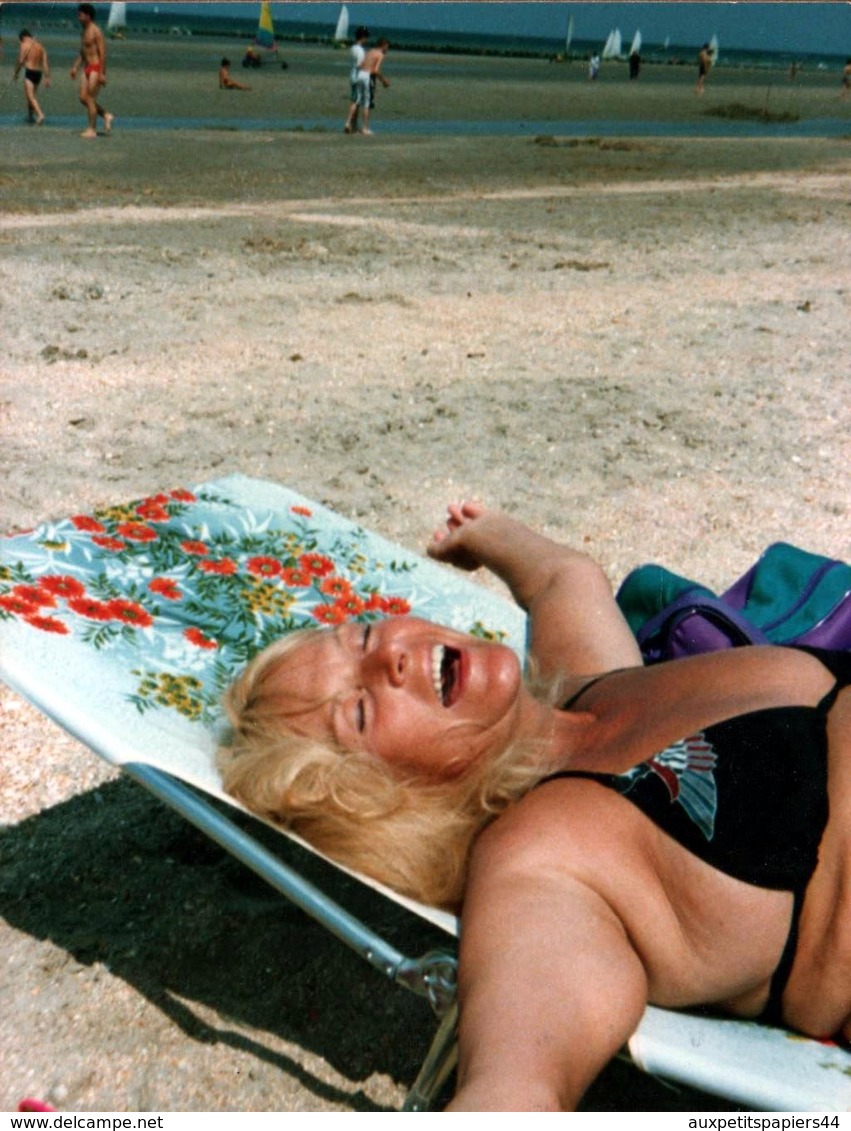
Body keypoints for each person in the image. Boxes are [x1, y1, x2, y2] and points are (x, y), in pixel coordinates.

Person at [219, 501, 851, 1111]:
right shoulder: (537, 865)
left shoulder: (582, 685)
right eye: (358, 710)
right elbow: (519, 1083)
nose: (391, 652)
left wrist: (481, 532)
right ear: (378, 800)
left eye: (360, 636)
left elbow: (561, 580)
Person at [69, 3, 113, 139]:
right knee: (83, 98)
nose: (78, 17)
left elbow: (103, 53)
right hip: (86, 68)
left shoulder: (96, 31)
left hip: (95, 68)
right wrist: (75, 67)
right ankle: (106, 115)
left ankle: (92, 130)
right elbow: (83, 52)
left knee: (90, 98)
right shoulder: (83, 32)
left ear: (87, 16)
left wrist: (102, 74)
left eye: (80, 15)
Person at [14, 29, 50, 124]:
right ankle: (30, 116)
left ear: (22, 38)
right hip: (38, 73)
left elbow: (21, 61)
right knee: (31, 96)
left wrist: (16, 73)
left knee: (30, 96)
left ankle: (40, 114)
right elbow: (45, 63)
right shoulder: (40, 46)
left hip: (29, 72)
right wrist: (47, 77)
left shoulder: (24, 45)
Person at [343, 25, 370, 134]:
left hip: (353, 76)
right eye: (366, 37)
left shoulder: (353, 48)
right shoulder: (360, 50)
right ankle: (348, 123)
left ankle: (353, 125)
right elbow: (360, 64)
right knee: (355, 101)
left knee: (356, 100)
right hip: (358, 77)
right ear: (362, 37)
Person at [362, 39, 390, 132]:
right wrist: (384, 81)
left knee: (358, 101)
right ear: (383, 45)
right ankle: (365, 128)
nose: (387, 49)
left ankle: (352, 125)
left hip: (361, 75)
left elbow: (363, 64)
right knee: (368, 103)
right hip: (369, 77)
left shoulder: (370, 51)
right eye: (387, 47)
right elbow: (376, 70)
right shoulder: (380, 54)